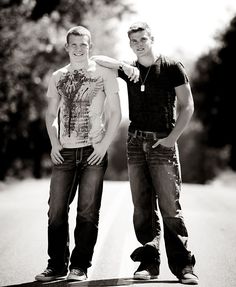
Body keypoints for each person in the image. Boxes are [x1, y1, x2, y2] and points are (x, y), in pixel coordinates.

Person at [92, 22, 199, 285]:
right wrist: (123, 66)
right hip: (135, 144)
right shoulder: (131, 70)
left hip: (162, 144)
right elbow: (96, 58)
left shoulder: (172, 67)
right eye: (134, 41)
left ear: (152, 39)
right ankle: (149, 264)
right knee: (142, 208)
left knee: (170, 207)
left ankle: (184, 267)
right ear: (130, 44)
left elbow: (187, 106)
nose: (139, 44)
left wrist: (172, 138)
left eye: (143, 39)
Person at [35, 26, 122, 282]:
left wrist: (103, 146)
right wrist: (54, 143)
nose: (78, 49)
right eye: (73, 45)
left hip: (93, 152)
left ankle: (79, 266)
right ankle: (56, 265)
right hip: (65, 151)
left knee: (87, 211)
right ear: (66, 48)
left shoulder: (104, 74)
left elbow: (116, 113)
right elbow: (51, 114)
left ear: (90, 46)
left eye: (83, 45)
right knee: (56, 211)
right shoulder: (58, 76)